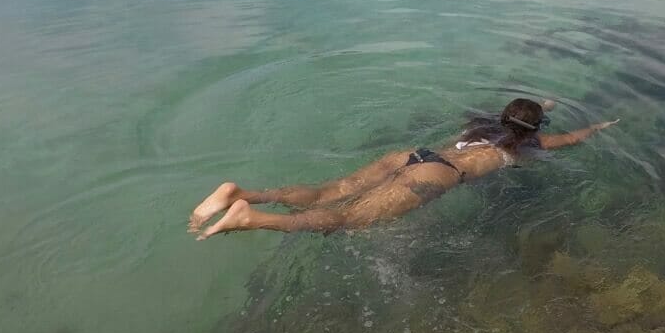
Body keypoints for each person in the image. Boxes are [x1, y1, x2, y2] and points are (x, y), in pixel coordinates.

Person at [189, 98, 618, 240]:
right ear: (534, 129)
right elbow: (572, 139)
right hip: (442, 175)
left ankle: (244, 193)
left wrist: (542, 104)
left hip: (415, 155)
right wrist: (600, 126)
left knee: (330, 191)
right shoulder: (528, 144)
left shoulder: (484, 126)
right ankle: (251, 218)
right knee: (347, 220)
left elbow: (523, 115)